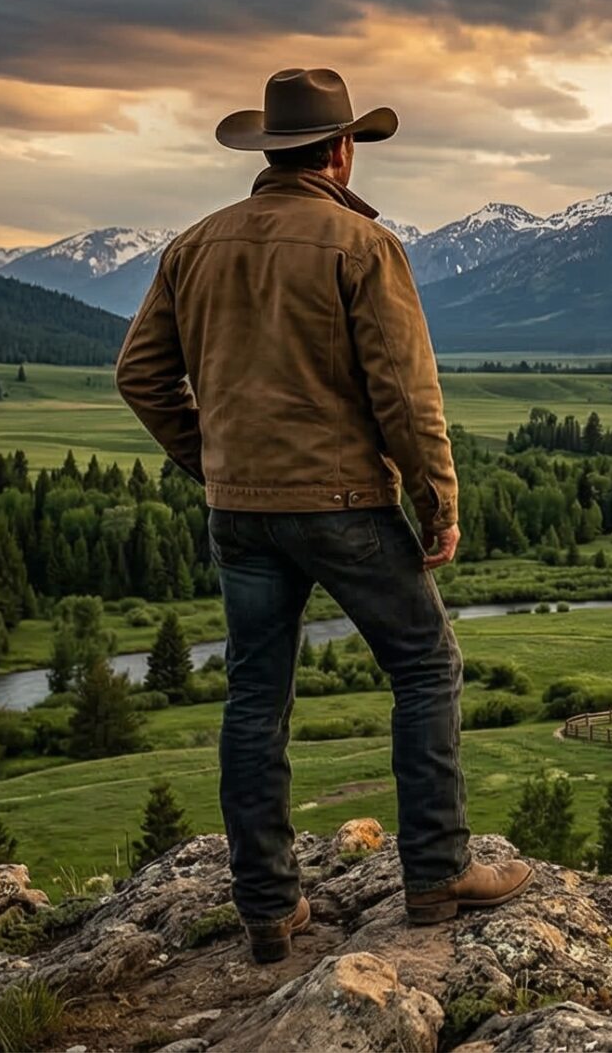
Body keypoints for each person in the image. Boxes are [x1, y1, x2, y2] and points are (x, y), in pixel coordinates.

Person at [116, 67, 529, 962]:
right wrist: (438, 501)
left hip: (241, 513)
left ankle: (269, 907)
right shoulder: (360, 245)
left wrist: (212, 461)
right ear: (341, 151)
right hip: (343, 502)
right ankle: (436, 871)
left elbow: (139, 375)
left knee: (254, 697)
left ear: (271, 151)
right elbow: (405, 393)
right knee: (425, 664)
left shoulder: (194, 245)